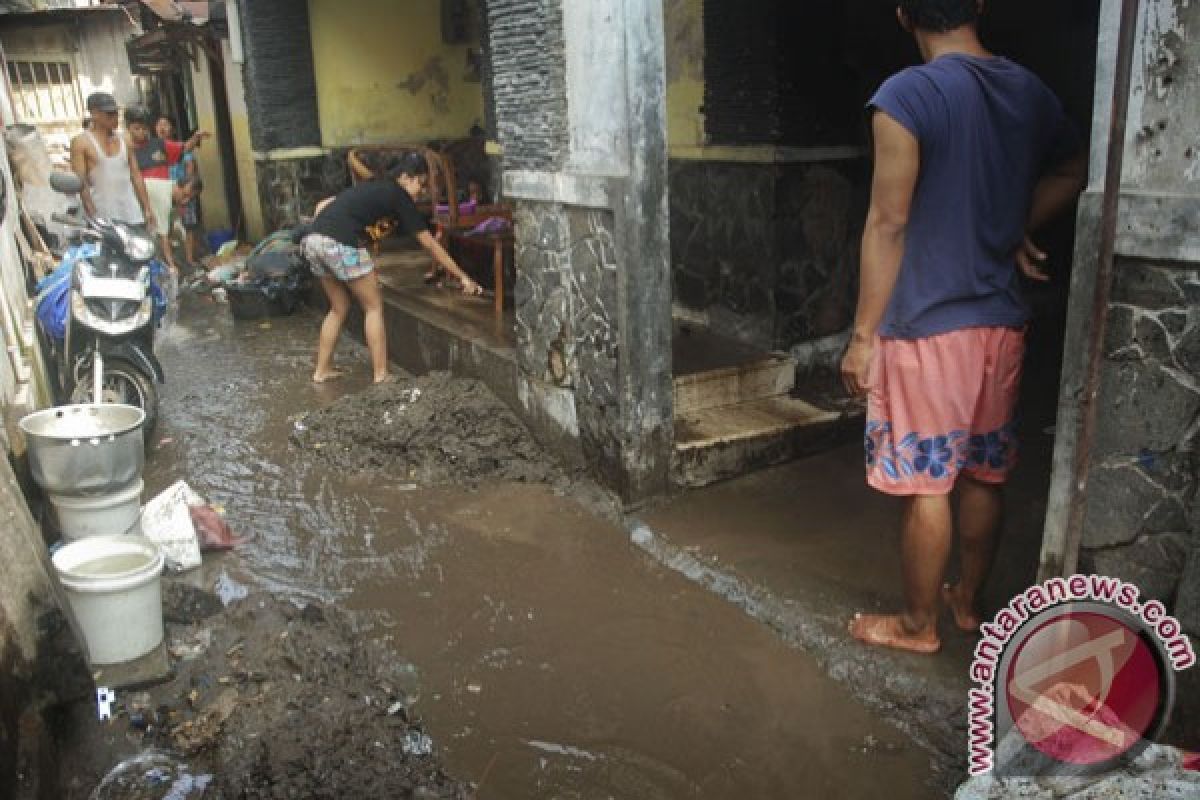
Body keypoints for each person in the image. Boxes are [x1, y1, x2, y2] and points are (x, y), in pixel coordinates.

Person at [840, 0, 1086, 654]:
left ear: (900, 14)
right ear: (977, 5)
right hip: (1000, 324)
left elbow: (888, 225)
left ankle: (918, 626)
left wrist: (864, 337)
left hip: (926, 326)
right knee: (983, 472)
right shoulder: (1028, 90)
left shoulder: (907, 95)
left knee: (928, 485)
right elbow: (1074, 167)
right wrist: (1015, 225)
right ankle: (967, 601)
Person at [302, 151, 483, 384]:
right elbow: (429, 244)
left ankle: (321, 371)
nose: (422, 191)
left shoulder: (374, 186)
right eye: (421, 183)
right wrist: (463, 277)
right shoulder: (399, 197)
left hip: (313, 241)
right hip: (339, 244)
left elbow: (322, 205)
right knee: (374, 307)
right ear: (406, 177)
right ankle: (381, 374)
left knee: (339, 307)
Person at [125, 107, 210, 272]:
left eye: (144, 128)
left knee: (165, 233)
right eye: (136, 128)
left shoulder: (159, 145)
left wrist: (196, 137)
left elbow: (183, 148)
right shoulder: (124, 150)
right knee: (147, 238)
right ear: (128, 129)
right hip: (139, 203)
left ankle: (165, 265)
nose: (141, 132)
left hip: (165, 197)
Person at [69, 93, 155, 231]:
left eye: (116, 113)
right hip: (104, 216)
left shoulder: (125, 140)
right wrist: (93, 215)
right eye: (109, 114)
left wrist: (147, 208)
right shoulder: (81, 143)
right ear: (94, 114)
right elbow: (81, 184)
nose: (115, 118)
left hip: (132, 214)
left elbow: (136, 175)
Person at [156, 115, 204, 267]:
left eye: (166, 124)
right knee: (166, 228)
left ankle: (189, 259)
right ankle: (170, 261)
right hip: (165, 194)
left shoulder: (180, 148)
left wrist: (187, 192)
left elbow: (190, 167)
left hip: (184, 191)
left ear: (173, 129)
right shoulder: (154, 151)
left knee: (189, 226)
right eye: (159, 125)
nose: (162, 128)